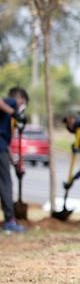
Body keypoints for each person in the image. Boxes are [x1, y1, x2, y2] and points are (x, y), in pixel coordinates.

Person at [1, 87, 29, 233]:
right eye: (23, 103)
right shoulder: (11, 102)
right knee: (6, 184)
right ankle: (10, 221)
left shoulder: (7, 117)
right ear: (20, 99)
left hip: (2, 149)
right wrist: (15, 112)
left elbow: (6, 145)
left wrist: (15, 164)